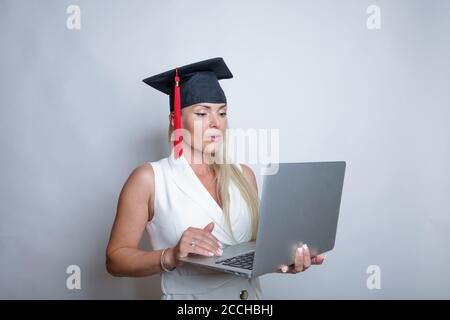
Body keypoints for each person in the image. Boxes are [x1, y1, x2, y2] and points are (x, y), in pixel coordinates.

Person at [105, 57, 325, 300]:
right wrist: (171, 255)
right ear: (174, 120)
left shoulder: (243, 176)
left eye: (222, 113)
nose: (215, 123)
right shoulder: (150, 178)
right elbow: (116, 259)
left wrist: (285, 260)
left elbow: (251, 254)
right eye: (201, 113)